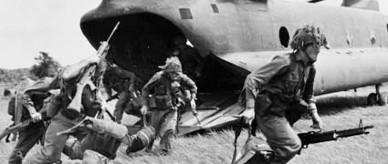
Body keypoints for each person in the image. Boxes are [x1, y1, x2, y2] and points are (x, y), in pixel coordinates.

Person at [235, 25, 327, 164]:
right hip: (268, 111)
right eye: (314, 45)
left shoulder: (310, 69)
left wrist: (315, 116)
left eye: (319, 45)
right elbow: (252, 79)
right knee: (293, 145)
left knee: (279, 148)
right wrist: (249, 108)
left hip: (283, 113)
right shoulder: (284, 62)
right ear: (302, 45)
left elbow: (308, 96)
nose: (318, 49)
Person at [23, 56, 103, 164]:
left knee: (90, 152)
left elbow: (93, 101)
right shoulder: (73, 78)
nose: (100, 73)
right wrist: (88, 60)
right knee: (49, 155)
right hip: (64, 120)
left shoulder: (94, 83)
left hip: (82, 122)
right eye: (99, 71)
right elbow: (66, 74)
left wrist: (100, 102)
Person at [140, 56, 198, 154]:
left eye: (177, 73)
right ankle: (147, 149)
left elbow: (193, 86)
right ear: (167, 71)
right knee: (153, 130)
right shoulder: (158, 76)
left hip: (172, 108)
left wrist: (192, 96)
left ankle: (164, 151)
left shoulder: (181, 77)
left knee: (169, 129)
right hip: (157, 108)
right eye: (173, 73)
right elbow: (145, 89)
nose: (175, 75)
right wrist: (145, 105)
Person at [8, 76, 59, 164]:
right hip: (31, 123)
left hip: (46, 122)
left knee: (51, 153)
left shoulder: (66, 88)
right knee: (19, 152)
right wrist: (33, 112)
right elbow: (25, 95)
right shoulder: (47, 84)